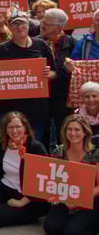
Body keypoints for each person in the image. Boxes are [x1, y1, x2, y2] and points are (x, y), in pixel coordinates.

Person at [0, 10, 55, 140]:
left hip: (36, 110)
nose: (19, 27)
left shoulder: (41, 45)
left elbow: (55, 73)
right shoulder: (1, 50)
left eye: (22, 23)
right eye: (15, 24)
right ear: (9, 27)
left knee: (34, 146)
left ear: (28, 25)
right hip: (9, 111)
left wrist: (48, 74)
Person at [42, 114, 99, 235]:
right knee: (51, 228)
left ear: (85, 132)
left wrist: (78, 198)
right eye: (69, 129)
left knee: (72, 233)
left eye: (77, 129)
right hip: (64, 200)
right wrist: (53, 194)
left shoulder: (95, 154)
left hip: (89, 202)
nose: (73, 133)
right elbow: (53, 179)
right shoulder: (59, 151)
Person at [39, 8, 76, 142]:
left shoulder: (72, 44)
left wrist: (57, 74)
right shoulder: (36, 42)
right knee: (43, 137)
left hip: (63, 100)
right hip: (42, 99)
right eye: (42, 21)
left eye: (47, 24)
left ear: (59, 27)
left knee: (64, 136)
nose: (42, 25)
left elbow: (76, 71)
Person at [76, 82, 99, 146]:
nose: (91, 100)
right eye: (87, 97)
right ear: (82, 99)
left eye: (94, 96)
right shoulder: (77, 115)